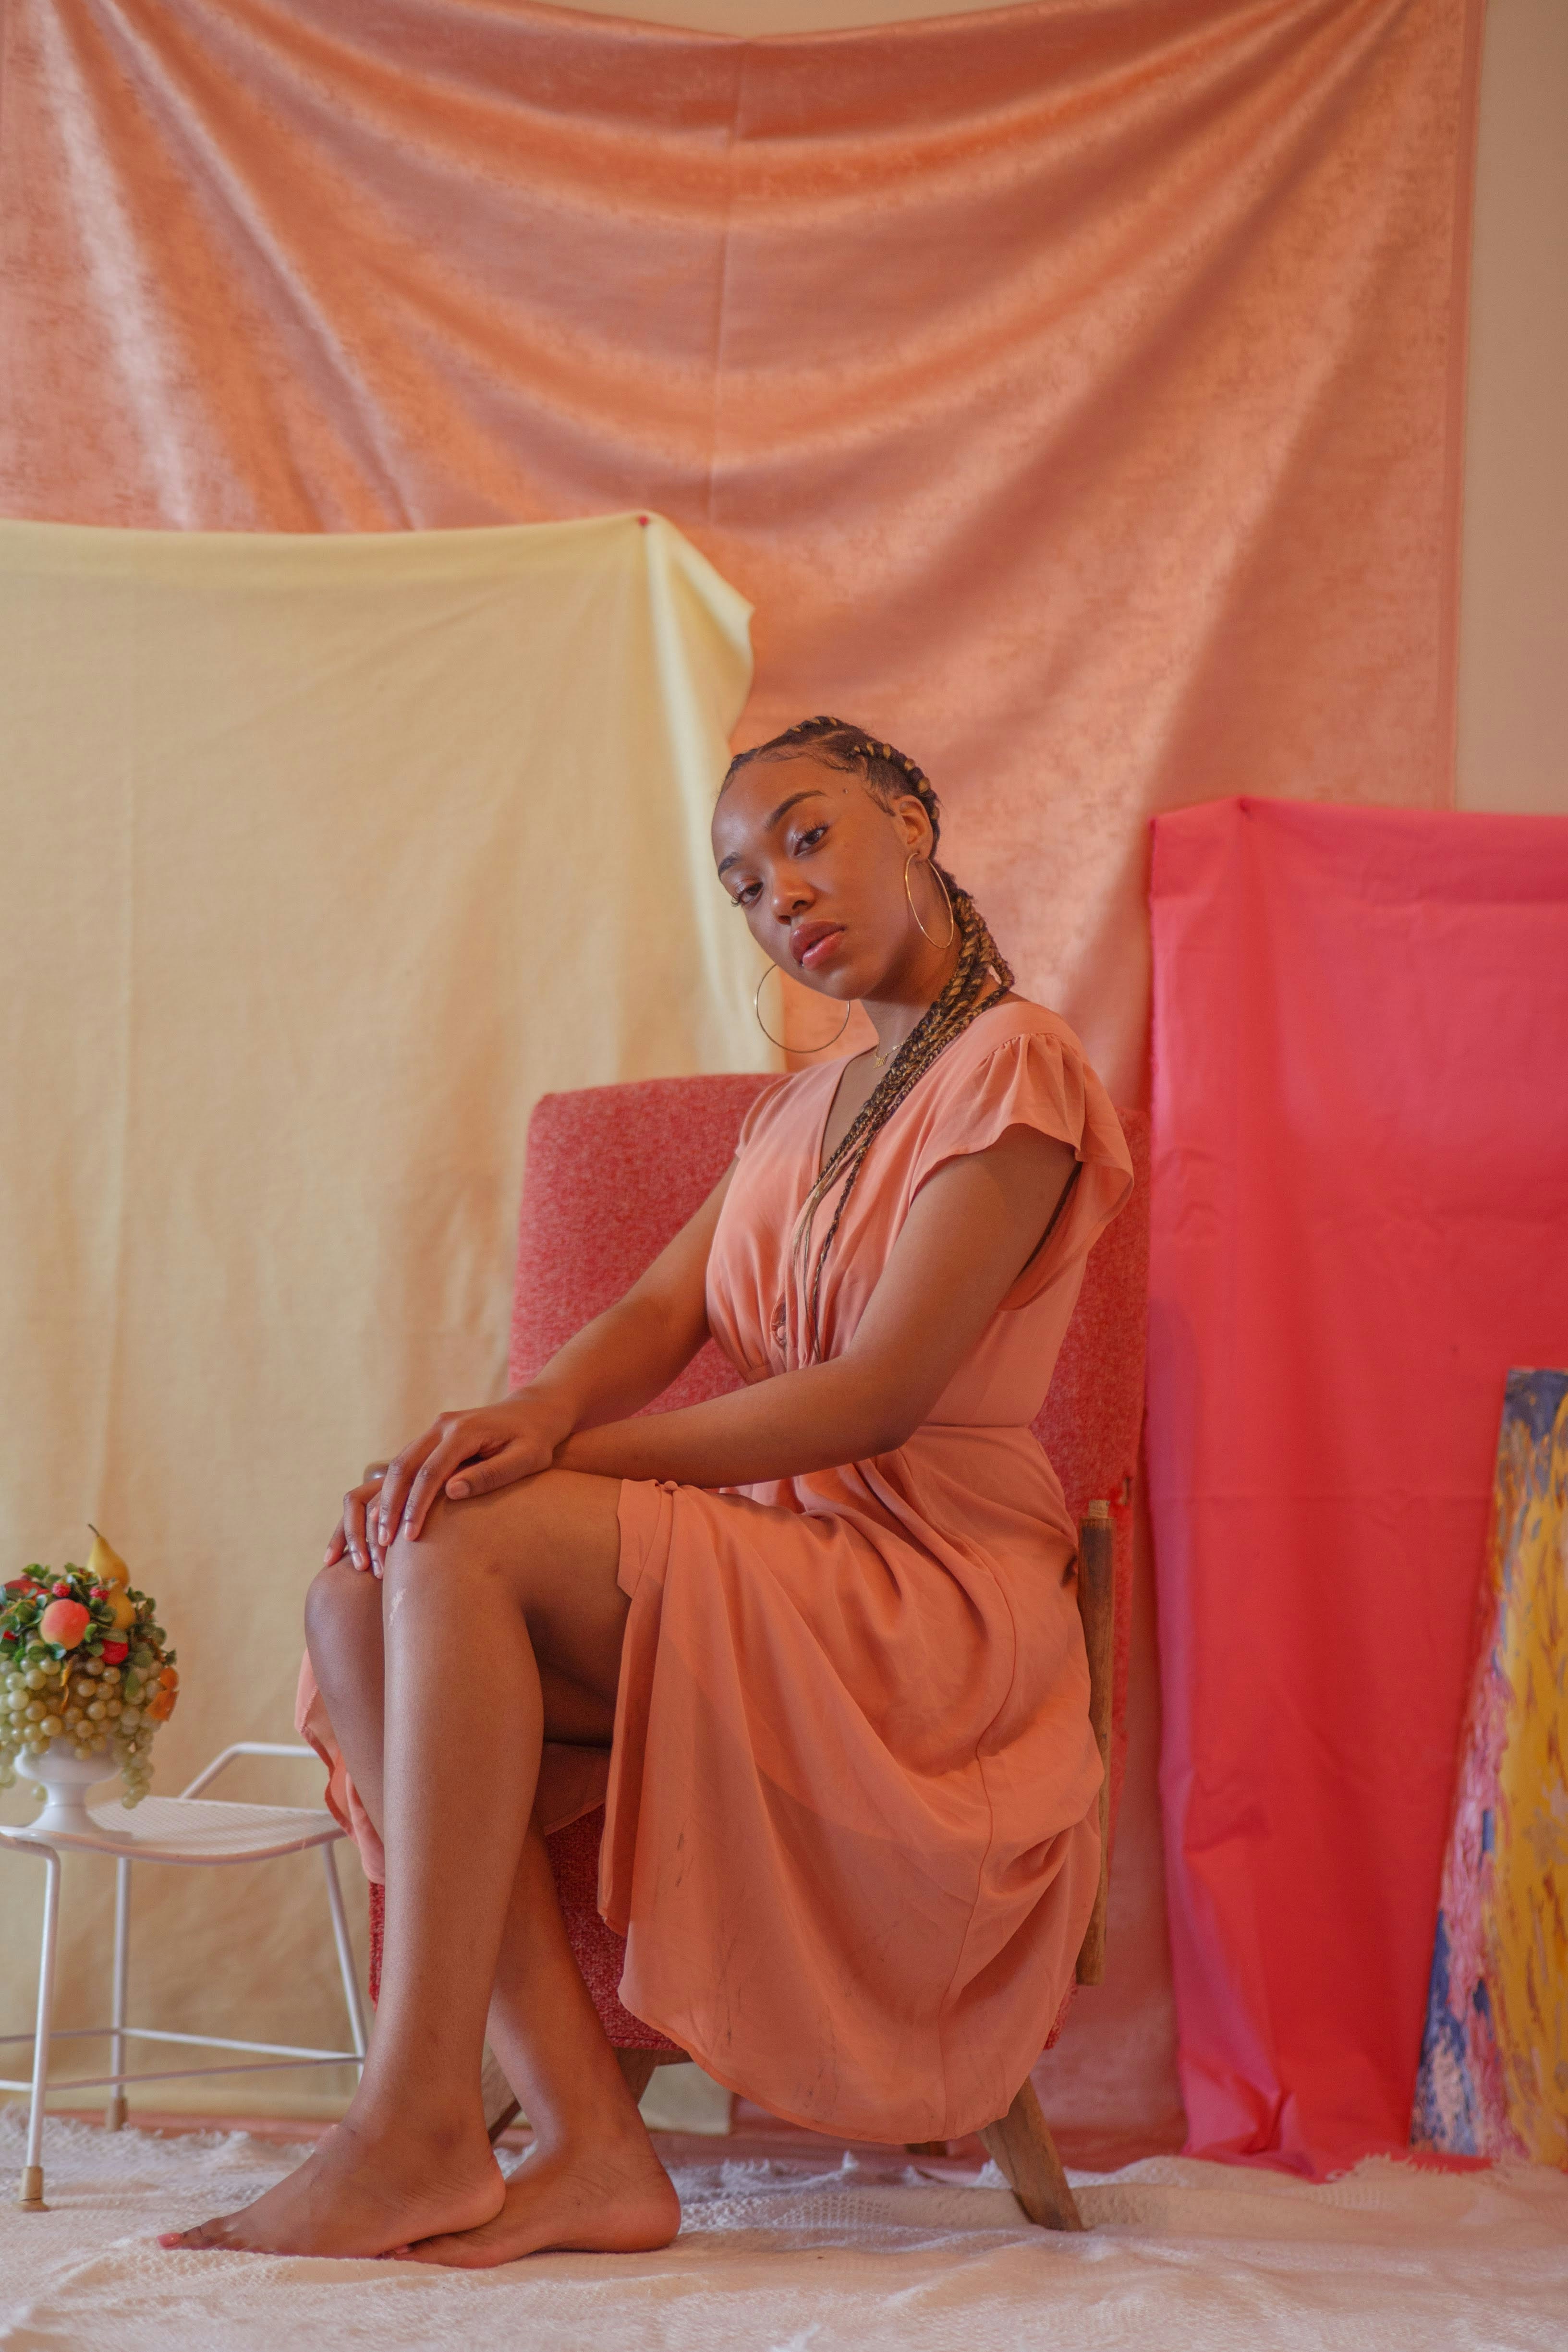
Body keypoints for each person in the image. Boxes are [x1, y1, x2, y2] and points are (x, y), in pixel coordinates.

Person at [164, 716, 1132, 2264]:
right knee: (362, 1577)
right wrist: (526, 1407)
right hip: (796, 1566)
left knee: (468, 1536)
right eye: (745, 884)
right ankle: (589, 2142)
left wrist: (558, 1456)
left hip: (930, 1601)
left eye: (808, 839)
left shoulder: (1016, 1064)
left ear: (907, 818)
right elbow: (652, 1316)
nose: (782, 900)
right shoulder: (800, 1109)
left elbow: (875, 1393)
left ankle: (408, 2120)